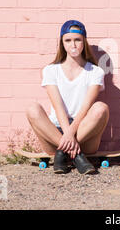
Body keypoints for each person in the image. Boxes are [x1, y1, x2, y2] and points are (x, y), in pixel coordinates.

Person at [26, 20, 109, 174]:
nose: (73, 44)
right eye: (68, 40)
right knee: (32, 109)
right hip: (55, 134)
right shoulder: (51, 70)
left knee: (101, 108)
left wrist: (71, 133)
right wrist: (66, 134)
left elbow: (85, 107)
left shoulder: (96, 72)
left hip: (83, 133)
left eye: (77, 40)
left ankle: (62, 154)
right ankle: (77, 156)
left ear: (84, 41)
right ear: (62, 43)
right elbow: (58, 106)